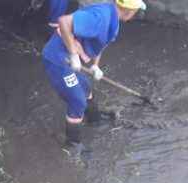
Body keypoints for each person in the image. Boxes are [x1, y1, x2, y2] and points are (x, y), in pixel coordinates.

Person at [41, 0, 146, 154]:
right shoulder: (99, 17)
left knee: (86, 87)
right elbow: (63, 22)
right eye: (136, 10)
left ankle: (94, 118)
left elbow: (100, 44)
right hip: (59, 59)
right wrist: (72, 53)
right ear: (129, 10)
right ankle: (72, 144)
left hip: (71, 59)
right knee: (77, 101)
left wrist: (95, 66)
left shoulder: (113, 20)